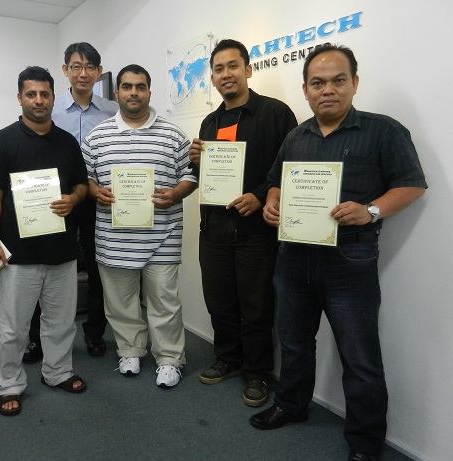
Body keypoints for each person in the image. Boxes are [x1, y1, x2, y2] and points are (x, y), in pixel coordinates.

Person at [250, 43, 427, 461]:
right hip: (293, 257)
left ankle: (365, 442)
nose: (327, 89)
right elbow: (276, 182)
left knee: (359, 355)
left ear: (354, 83)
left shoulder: (383, 131)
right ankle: (292, 405)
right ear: (306, 90)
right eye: (317, 83)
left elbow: (412, 185)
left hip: (350, 260)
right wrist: (273, 203)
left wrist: (370, 210)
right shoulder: (296, 135)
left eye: (337, 80)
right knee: (294, 343)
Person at [188, 39, 297, 406]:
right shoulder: (210, 121)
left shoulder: (276, 114)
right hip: (214, 229)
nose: (226, 74)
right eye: (218, 69)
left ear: (248, 70)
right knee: (219, 301)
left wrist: (261, 194)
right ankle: (228, 359)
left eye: (232, 66)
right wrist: (196, 161)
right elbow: (205, 178)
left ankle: (256, 372)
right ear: (213, 78)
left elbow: (290, 167)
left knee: (256, 304)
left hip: (256, 231)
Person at [82, 64, 197, 388]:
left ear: (149, 92)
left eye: (141, 86)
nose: (134, 92)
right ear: (117, 92)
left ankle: (170, 358)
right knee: (120, 302)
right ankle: (130, 350)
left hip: (163, 235)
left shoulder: (173, 135)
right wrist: (95, 191)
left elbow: (190, 175)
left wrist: (176, 193)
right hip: (114, 238)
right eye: (127, 86)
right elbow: (85, 177)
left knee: (165, 302)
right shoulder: (96, 137)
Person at [0, 66, 88, 416]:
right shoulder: (1, 142)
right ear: (20, 98)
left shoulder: (67, 142)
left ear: (53, 97)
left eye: (44, 94)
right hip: (19, 254)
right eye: (31, 94)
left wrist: (73, 199)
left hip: (62, 251)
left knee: (61, 322)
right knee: (13, 327)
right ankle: (8, 384)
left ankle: (57, 372)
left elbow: (81, 184)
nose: (39, 100)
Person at [22, 42, 119, 363]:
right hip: (54, 199)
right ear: (65, 70)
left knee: (97, 266)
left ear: (99, 71)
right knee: (44, 266)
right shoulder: (50, 106)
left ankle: (94, 332)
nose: (83, 73)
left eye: (90, 67)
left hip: (96, 199)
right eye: (76, 66)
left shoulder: (112, 111)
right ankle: (35, 338)